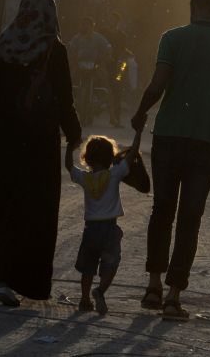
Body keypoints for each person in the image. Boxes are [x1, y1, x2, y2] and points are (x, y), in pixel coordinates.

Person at [0, 0, 82, 306]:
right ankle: (32, 282)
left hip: (5, 139)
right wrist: (75, 138)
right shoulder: (54, 49)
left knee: (6, 206)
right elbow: (66, 100)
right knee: (37, 210)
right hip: (40, 143)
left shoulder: (0, 47)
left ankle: (4, 279)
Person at [131, 0, 210, 321]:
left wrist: (140, 113)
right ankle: (173, 295)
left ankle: (153, 285)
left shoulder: (172, 38)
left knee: (162, 212)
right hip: (207, 142)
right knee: (189, 219)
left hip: (168, 137)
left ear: (192, 9)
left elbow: (157, 85)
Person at [65, 129, 142, 315]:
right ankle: (99, 291)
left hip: (91, 229)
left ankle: (84, 300)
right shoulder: (114, 175)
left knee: (88, 267)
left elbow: (69, 166)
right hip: (110, 228)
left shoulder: (85, 178)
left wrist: (70, 147)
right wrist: (138, 132)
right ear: (111, 157)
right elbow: (132, 156)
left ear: (87, 158)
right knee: (111, 264)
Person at [69, 17, 112, 125]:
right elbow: (71, 49)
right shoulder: (77, 38)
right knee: (68, 82)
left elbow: (107, 47)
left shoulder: (98, 38)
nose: (85, 27)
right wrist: (72, 58)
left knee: (107, 83)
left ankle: (112, 116)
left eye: (87, 25)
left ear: (92, 26)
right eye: (83, 24)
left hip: (95, 67)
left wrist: (107, 56)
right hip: (79, 67)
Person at [99, 12, 132, 127]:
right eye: (109, 19)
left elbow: (124, 50)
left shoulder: (122, 35)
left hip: (118, 67)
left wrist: (123, 64)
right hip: (103, 65)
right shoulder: (102, 33)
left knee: (117, 90)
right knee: (105, 88)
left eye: (113, 20)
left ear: (117, 22)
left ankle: (116, 118)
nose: (111, 22)